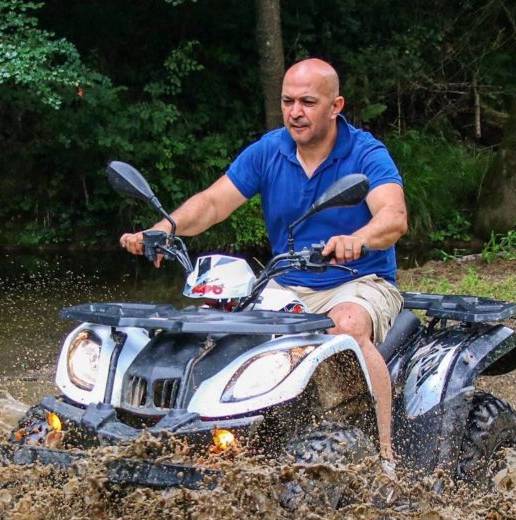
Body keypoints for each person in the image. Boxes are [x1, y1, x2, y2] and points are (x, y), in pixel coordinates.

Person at [120, 58, 408, 464]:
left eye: (308, 102)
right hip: (286, 281)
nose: (295, 112)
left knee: (345, 327)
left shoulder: (365, 153)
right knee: (216, 325)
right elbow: (214, 202)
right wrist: (165, 228)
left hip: (359, 280)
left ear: (335, 105)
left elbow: (393, 217)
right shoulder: (269, 150)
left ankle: (384, 456)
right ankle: (207, 440)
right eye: (288, 101)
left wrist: (356, 239)